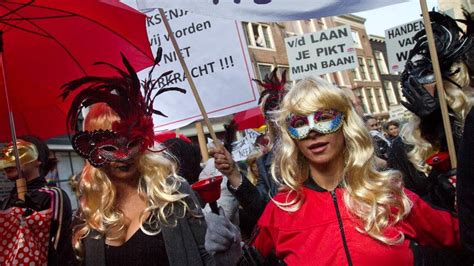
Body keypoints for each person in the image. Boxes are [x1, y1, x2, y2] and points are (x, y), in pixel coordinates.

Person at [247, 76, 467, 265]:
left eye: (323, 118)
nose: (313, 131)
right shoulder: (282, 210)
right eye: (300, 122)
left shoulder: (389, 194)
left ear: (345, 123)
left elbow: (463, 236)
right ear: (291, 135)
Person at [61, 50, 215, 265]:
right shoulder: (91, 211)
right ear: (92, 149)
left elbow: (206, 255)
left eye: (131, 142)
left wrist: (227, 254)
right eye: (111, 147)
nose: (124, 156)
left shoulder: (172, 192)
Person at [389, 11, 473, 211]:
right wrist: (435, 196)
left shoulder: (470, 123)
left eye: (427, 75)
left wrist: (443, 127)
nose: (417, 84)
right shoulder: (403, 147)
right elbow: (408, 209)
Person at [213, 68, 287, 229]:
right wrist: (233, 172)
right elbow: (261, 210)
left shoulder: (314, 151)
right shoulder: (266, 162)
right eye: (271, 119)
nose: (276, 125)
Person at [0, 135, 74, 265]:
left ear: (38, 159)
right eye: (4, 155)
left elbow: (61, 247)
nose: (8, 160)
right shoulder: (6, 202)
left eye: (18, 152)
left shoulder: (52, 195)